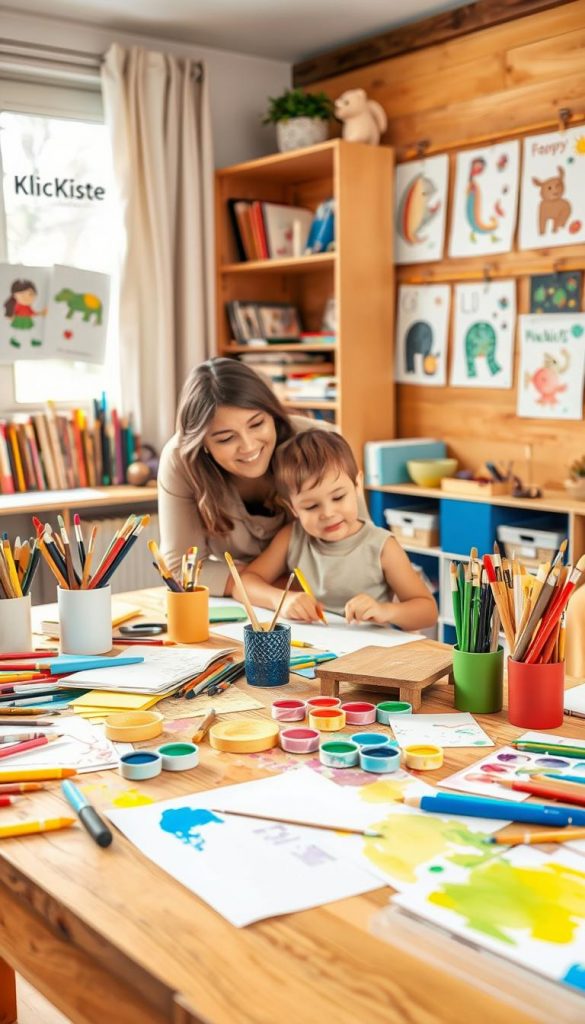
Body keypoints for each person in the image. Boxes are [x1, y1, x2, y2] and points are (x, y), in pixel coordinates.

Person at [158, 358, 338, 596]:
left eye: (257, 424)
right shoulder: (181, 460)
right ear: (203, 444)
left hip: (331, 602)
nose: (249, 446)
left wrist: (249, 584)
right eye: (225, 438)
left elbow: (360, 547)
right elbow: (181, 568)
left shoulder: (320, 442)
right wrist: (265, 589)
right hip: (262, 604)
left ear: (273, 414)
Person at [240, 429, 439, 630]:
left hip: (369, 651)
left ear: (357, 484)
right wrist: (280, 600)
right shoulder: (291, 537)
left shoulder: (382, 546)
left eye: (338, 497)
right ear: (293, 508)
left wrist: (384, 610)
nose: (328, 513)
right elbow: (245, 583)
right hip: (315, 648)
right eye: (311, 506)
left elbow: (427, 612)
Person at [3, 279, 46, 348]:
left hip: (27, 320)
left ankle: (32, 340)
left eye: (31, 294)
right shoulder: (17, 306)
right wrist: (11, 316)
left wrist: (40, 313)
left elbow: (32, 313)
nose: (27, 298)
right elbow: (14, 312)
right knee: (17, 331)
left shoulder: (28, 307)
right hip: (19, 320)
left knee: (30, 330)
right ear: (14, 295)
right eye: (22, 295)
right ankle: (14, 339)